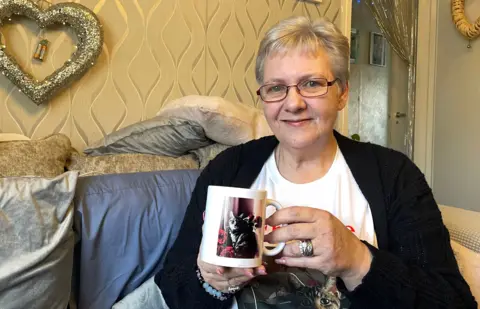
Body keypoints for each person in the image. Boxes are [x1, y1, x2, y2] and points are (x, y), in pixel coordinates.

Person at [155, 16, 477, 309]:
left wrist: (357, 260)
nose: (293, 103)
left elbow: (454, 301)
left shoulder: (393, 176)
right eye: (276, 88)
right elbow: (172, 286)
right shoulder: (229, 169)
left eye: (311, 83)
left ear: (342, 93)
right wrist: (208, 279)